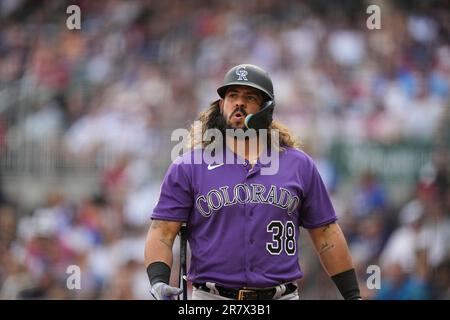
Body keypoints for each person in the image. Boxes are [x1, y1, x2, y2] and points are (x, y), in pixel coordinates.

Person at [144, 64, 361, 300]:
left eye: (249, 97)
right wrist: (157, 281)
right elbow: (162, 232)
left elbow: (326, 234)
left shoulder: (299, 165)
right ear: (221, 105)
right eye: (232, 96)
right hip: (212, 298)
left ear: (267, 108)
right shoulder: (189, 166)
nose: (239, 103)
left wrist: (352, 295)